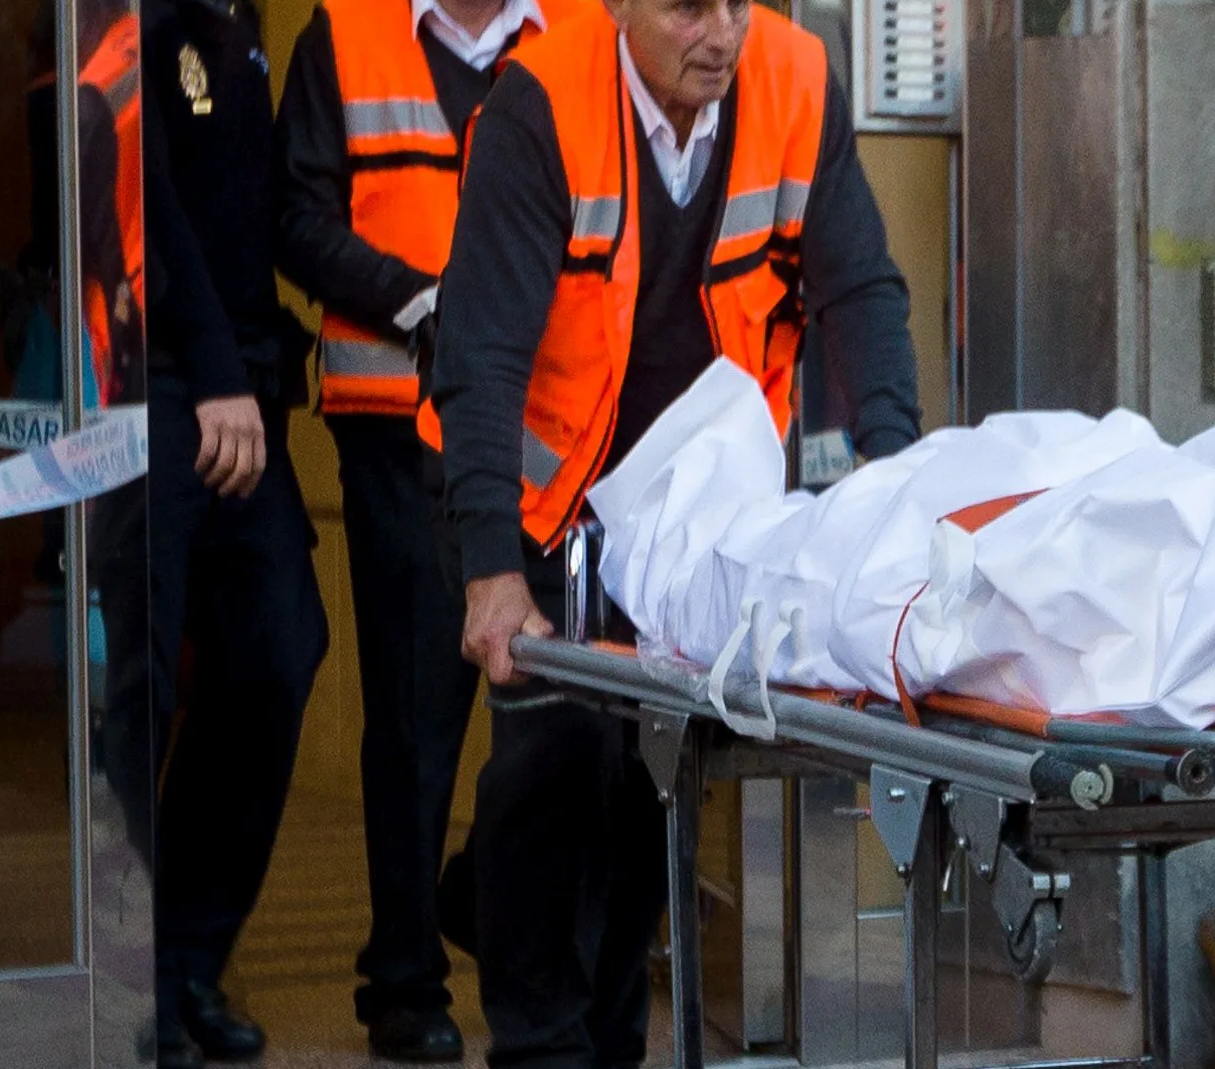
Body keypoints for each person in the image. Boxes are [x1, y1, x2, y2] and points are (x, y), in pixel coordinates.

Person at [423, 0, 922, 1060]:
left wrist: (896, 474)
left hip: (695, 517)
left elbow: (860, 289)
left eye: (736, 2)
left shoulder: (793, 79)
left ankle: (609, 1033)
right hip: (547, 507)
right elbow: (481, 353)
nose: (721, 33)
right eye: (687, 7)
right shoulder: (539, 106)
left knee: (654, 778)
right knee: (550, 765)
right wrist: (491, 570)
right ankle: (540, 1038)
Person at [272, 0, 579, 1058]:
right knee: (416, 715)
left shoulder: (587, 30)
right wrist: (421, 299)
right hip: (397, 429)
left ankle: (480, 901)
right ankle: (402, 979)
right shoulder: (343, 35)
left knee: (567, 711)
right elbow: (296, 218)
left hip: (556, 434)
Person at [131, 1, 330, 1066]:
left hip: (241, 386)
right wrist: (211, 370)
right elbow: (144, 201)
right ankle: (131, 983)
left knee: (276, 651)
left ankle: (185, 960)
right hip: (160, 384)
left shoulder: (239, 16)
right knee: (142, 689)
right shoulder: (140, 17)